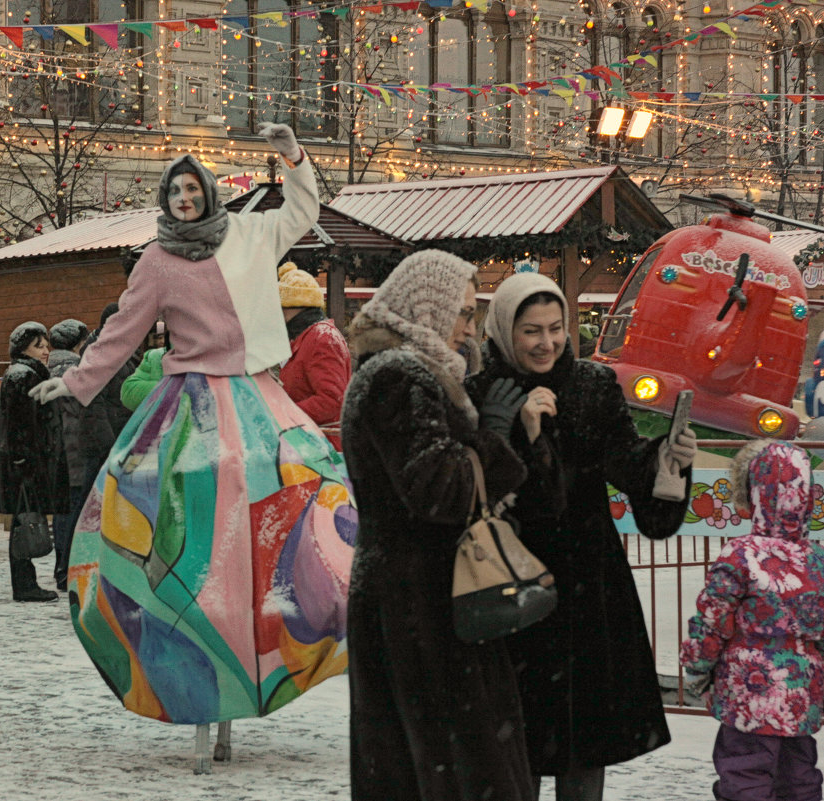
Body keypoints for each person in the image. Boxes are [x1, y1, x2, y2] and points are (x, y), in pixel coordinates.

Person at [28, 124, 356, 727]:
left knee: (299, 497)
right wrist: (75, 382)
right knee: (176, 522)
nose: (184, 199)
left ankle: (296, 624)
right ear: (166, 199)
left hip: (257, 398)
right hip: (190, 403)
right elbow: (123, 330)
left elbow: (304, 209)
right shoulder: (156, 260)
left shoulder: (252, 235)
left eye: (191, 189)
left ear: (208, 192)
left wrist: (294, 157)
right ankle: (182, 646)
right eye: (174, 191)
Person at [463, 273, 698, 801]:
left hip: (589, 595)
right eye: (531, 331)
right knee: (511, 756)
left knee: (584, 748)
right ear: (503, 330)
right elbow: (477, 496)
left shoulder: (592, 385)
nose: (547, 342)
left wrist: (665, 463)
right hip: (511, 592)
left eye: (556, 328)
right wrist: (521, 437)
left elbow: (626, 461)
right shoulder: (479, 394)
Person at [340, 249, 533, 801]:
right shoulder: (399, 378)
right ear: (430, 306)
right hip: (420, 605)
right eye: (464, 313)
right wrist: (490, 432)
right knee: (447, 765)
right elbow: (439, 488)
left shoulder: (403, 373)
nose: (469, 328)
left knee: (413, 763)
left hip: (414, 598)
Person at [681, 440, 824, 801]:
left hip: (748, 690)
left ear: (754, 494)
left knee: (745, 771)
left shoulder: (741, 554)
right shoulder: (817, 558)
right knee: (799, 773)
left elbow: (713, 618)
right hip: (801, 693)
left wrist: (697, 666)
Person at [0, 322, 69, 602]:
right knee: (24, 522)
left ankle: (26, 582)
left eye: (46, 344)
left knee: (25, 521)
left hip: (27, 462)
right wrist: (26, 462)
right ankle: (24, 585)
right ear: (23, 348)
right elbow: (19, 425)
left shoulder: (26, 373)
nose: (46, 350)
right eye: (39, 345)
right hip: (24, 465)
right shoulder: (22, 376)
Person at [276, 262, 351, 449]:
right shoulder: (306, 336)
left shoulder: (322, 338)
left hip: (324, 449)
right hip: (309, 443)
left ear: (293, 306)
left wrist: (284, 414)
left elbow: (331, 399)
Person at [75, 302, 138, 510]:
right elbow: (93, 403)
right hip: (104, 441)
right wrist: (109, 443)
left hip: (114, 436)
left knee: (101, 499)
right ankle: (73, 542)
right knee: (92, 500)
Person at [48, 318, 89, 591]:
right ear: (78, 343)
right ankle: (67, 569)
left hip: (56, 451)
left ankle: (61, 566)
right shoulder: (77, 372)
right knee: (74, 510)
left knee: (63, 510)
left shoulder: (46, 369)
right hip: (75, 448)